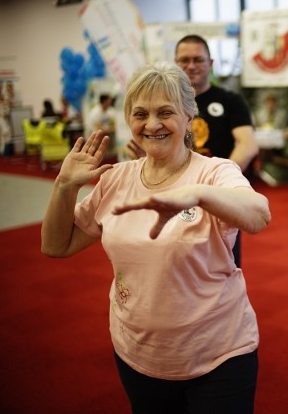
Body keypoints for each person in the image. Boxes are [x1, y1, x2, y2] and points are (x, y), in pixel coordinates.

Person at [41, 61, 271, 413]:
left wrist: (197, 195)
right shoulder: (116, 178)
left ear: (188, 116)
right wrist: (64, 186)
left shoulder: (215, 172)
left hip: (218, 354)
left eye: (165, 112)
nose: (151, 124)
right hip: (137, 354)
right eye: (140, 114)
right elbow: (56, 245)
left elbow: (259, 215)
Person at [127, 34, 258, 268]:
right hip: (170, 194)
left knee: (223, 264)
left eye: (198, 60)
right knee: (168, 261)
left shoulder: (230, 101)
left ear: (211, 64)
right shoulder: (160, 103)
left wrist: (218, 182)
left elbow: (247, 145)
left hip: (218, 198)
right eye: (184, 60)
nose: (191, 66)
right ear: (175, 63)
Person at [85, 93, 117, 160]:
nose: (111, 101)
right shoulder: (94, 112)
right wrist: (110, 129)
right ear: (104, 101)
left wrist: (110, 129)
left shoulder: (111, 111)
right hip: (96, 137)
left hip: (108, 136)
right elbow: (99, 128)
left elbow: (115, 125)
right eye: (109, 100)